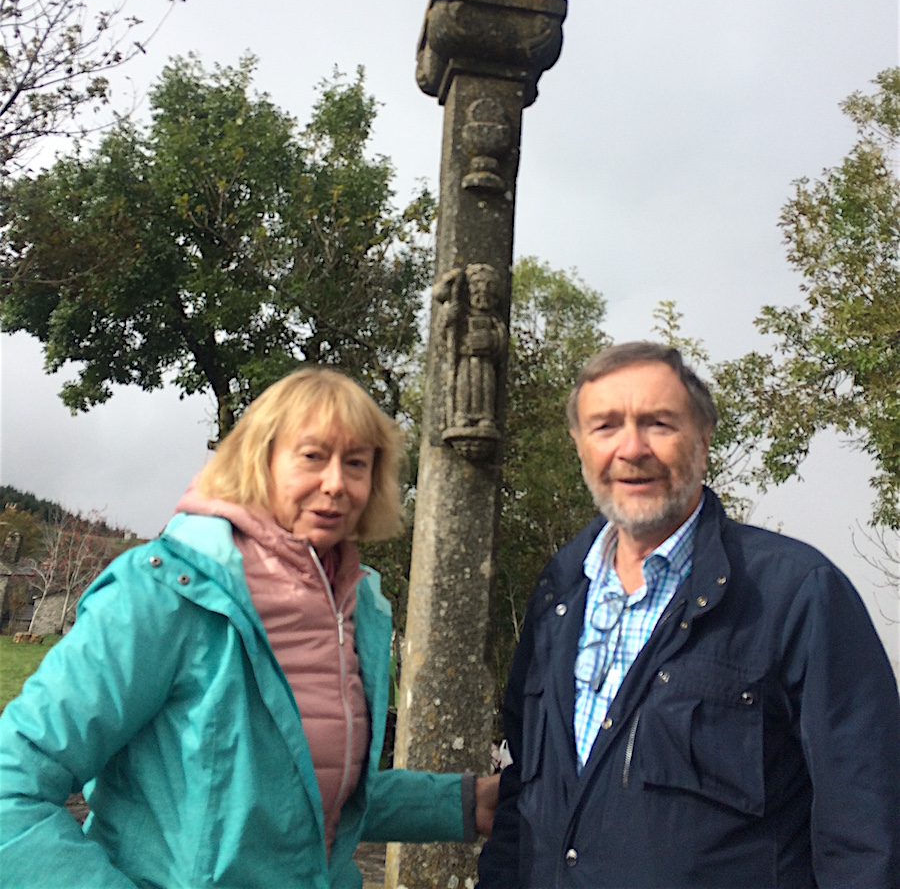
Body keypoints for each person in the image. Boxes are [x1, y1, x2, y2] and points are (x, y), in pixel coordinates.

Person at [0, 368, 497, 889]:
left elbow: (306, 801)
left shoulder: (359, 609)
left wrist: (468, 804)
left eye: (356, 463)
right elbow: (13, 787)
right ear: (260, 459)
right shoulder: (164, 591)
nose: (336, 482)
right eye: (313, 456)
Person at [478, 342, 900, 889]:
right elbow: (521, 809)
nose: (632, 449)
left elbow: (867, 829)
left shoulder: (797, 595)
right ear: (579, 444)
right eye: (605, 426)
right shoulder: (557, 598)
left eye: (658, 423)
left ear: (703, 440)